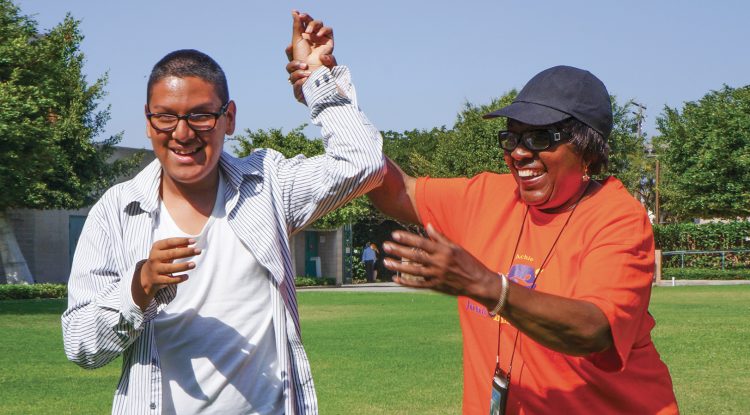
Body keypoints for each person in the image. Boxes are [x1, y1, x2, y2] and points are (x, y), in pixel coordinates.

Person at [292, 56, 679, 412]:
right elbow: (394, 189)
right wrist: (332, 101)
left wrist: (489, 286)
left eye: (540, 138)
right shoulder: (487, 196)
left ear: (589, 151)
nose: (519, 153)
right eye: (512, 138)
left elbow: (594, 330)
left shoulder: (617, 216)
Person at [62, 11, 383, 415]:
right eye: (165, 117)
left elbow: (365, 162)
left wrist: (316, 79)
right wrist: (138, 286)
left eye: (200, 115)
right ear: (148, 122)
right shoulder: (116, 212)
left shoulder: (268, 185)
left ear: (228, 118)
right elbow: (80, 346)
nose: (182, 133)